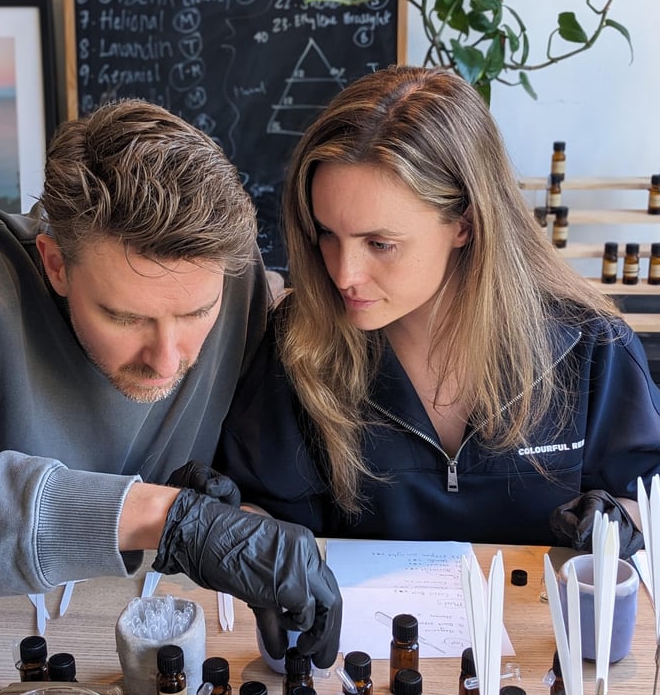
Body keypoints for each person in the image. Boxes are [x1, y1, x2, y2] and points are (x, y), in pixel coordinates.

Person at [0, 100, 341, 665]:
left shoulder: (233, 277)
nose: (167, 361)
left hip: (170, 626)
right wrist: (167, 519)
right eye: (125, 317)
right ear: (56, 264)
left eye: (195, 314)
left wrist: (241, 517)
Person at [215, 65, 660, 549]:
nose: (343, 274)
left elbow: (646, 495)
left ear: (464, 224)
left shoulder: (591, 347)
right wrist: (230, 524)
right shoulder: (298, 343)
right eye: (327, 233)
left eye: (380, 244)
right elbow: (261, 508)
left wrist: (626, 520)